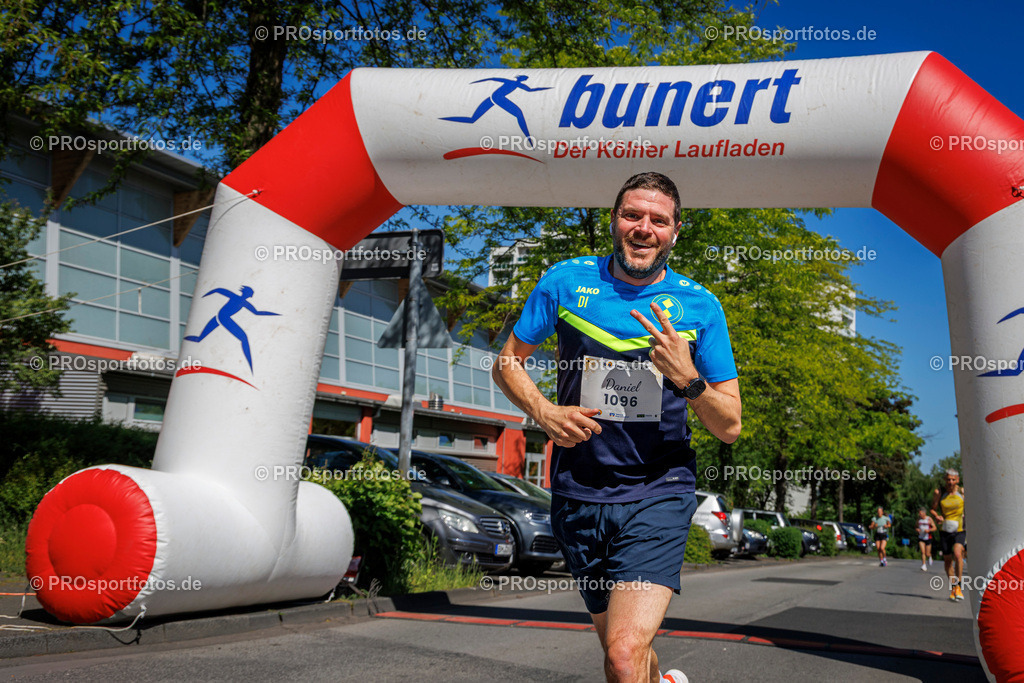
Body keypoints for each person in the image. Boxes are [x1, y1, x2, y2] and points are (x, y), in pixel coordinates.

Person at [493, 172, 741, 683]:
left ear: (675, 231)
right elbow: (508, 362)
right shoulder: (565, 281)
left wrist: (688, 379)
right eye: (633, 215)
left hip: (659, 489)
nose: (644, 228)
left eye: (658, 220)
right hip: (578, 492)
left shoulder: (700, 306)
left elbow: (731, 426)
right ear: (614, 220)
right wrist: (543, 411)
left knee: (623, 656)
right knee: (627, 652)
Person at [931, 468, 966, 601]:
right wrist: (937, 516)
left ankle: (959, 585)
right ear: (945, 480)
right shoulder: (939, 493)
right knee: (947, 561)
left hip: (960, 529)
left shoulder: (962, 492)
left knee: (958, 554)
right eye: (948, 479)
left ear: (957, 480)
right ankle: (953, 587)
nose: (950, 482)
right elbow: (932, 509)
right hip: (945, 529)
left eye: (953, 479)